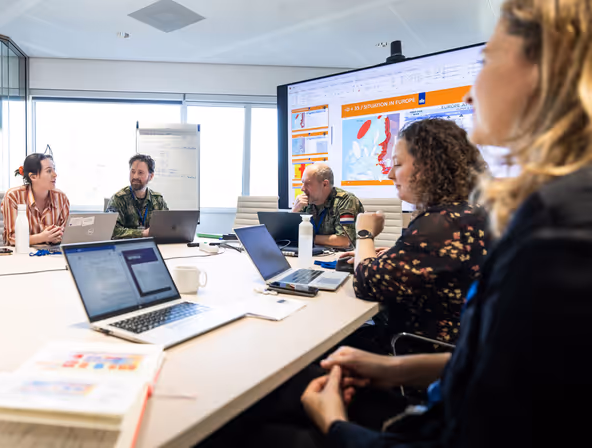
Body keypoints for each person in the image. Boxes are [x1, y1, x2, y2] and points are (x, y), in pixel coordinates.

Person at [221, 1, 591, 446]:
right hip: (420, 374)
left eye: (487, 60)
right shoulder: (498, 215)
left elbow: (371, 283)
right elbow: (497, 364)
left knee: (248, 419)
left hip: (418, 411)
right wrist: (391, 367)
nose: (471, 95)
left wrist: (335, 425)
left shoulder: (552, 227)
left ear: (546, 72)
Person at [340, 119, 490, 353]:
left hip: (411, 354)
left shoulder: (439, 223)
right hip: (457, 349)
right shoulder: (470, 212)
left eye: (397, 164)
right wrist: (398, 254)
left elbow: (365, 283)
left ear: (428, 168)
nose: (390, 174)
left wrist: (365, 233)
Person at [1, 153, 70, 246]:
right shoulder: (13, 196)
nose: (55, 174)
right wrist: (43, 237)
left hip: (51, 254)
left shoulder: (61, 197)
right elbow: (11, 239)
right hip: (21, 256)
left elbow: (68, 234)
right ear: (33, 177)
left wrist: (58, 236)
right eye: (49, 171)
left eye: (54, 169)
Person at [292, 164, 364, 248]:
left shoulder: (346, 200)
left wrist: (308, 237)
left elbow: (344, 241)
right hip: (311, 253)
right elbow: (286, 236)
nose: (302, 189)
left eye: (308, 184)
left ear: (325, 184)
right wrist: (294, 211)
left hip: (340, 257)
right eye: (303, 183)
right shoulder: (305, 202)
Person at [107, 154, 169, 239]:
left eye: (140, 173)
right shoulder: (119, 198)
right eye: (132, 172)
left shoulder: (157, 199)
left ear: (151, 176)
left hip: (153, 247)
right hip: (126, 249)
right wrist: (143, 233)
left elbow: (168, 226)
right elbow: (112, 231)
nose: (135, 176)